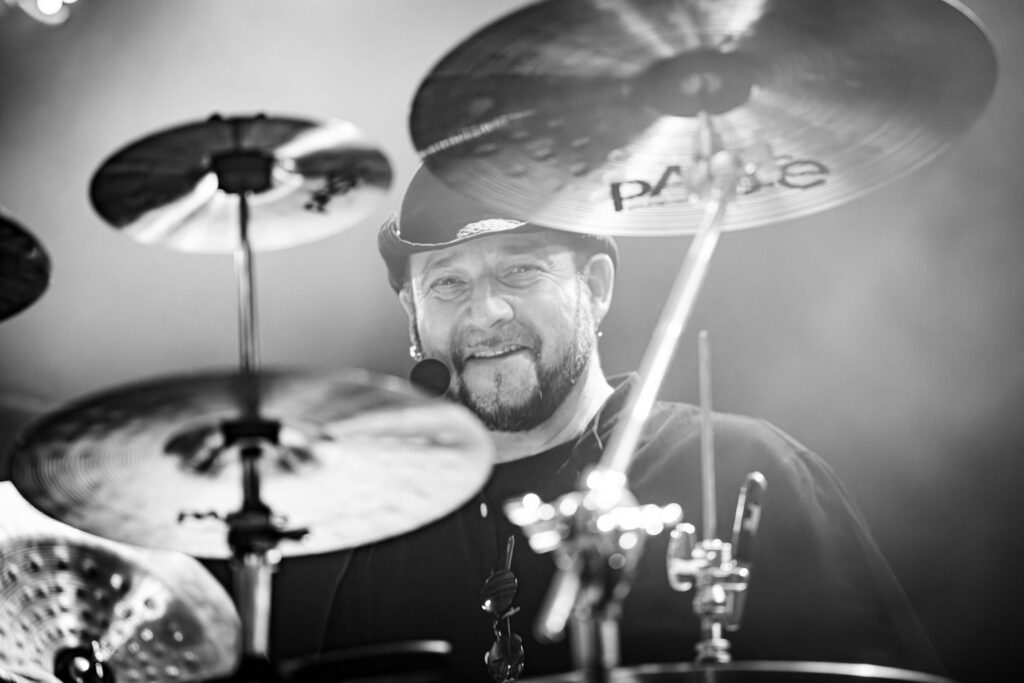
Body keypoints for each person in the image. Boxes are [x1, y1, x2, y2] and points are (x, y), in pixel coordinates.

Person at [312, 165, 946, 682]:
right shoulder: (389, 537)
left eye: (520, 270)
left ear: (595, 286)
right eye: (448, 284)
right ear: (413, 314)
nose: (487, 311)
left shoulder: (748, 469)